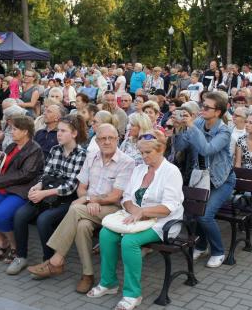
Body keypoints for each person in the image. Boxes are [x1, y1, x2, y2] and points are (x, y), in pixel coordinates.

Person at [27, 124, 135, 293]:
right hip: (89, 206)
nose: (106, 142)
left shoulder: (127, 162)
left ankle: (56, 260)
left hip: (113, 209)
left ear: (117, 139)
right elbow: (81, 188)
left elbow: (115, 196)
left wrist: (91, 199)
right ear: (96, 141)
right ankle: (88, 275)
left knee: (75, 209)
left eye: (111, 138)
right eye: (102, 138)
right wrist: (87, 199)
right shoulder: (91, 157)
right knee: (82, 226)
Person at [86, 130, 183, 309]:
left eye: (148, 152)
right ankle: (109, 283)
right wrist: (134, 210)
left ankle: (132, 294)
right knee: (106, 234)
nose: (143, 156)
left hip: (163, 223)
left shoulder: (171, 172)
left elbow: (169, 207)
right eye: (141, 152)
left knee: (129, 242)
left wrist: (142, 212)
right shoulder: (139, 169)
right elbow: (127, 198)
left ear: (161, 149)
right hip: (136, 219)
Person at [8, 114, 87, 271]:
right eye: (58, 130)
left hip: (66, 199)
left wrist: (44, 193)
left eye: (63, 131)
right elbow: (46, 174)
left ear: (74, 134)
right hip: (47, 193)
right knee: (20, 215)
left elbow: (71, 186)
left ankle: (50, 261)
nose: (58, 134)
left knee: (44, 220)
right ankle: (21, 256)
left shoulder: (81, 155)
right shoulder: (55, 149)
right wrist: (38, 186)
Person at [173, 92, 235, 267]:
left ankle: (218, 251)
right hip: (201, 177)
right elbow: (180, 146)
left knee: (205, 215)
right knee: (194, 213)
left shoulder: (224, 131)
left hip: (221, 180)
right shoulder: (198, 123)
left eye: (207, 107)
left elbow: (207, 149)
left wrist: (191, 127)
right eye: (202, 105)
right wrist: (179, 128)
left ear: (218, 112)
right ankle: (201, 245)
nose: (202, 109)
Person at [0, 116, 45, 263]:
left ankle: (15, 247)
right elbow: (0, 163)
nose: (11, 132)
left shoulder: (34, 150)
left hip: (19, 190)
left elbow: (25, 175)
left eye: (14, 129)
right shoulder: (12, 146)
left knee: (1, 215)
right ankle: (1, 242)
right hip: (2, 187)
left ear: (25, 131)